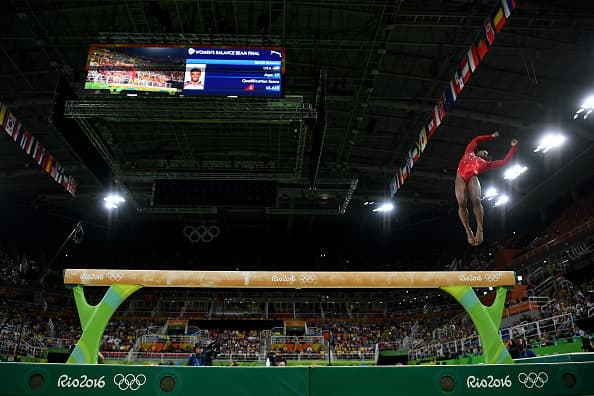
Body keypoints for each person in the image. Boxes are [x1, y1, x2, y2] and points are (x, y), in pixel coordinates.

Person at [455, 132, 518, 246]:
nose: (485, 153)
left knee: (477, 200)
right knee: (461, 202)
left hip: (472, 177)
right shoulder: (469, 152)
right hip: (460, 176)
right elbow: (476, 139)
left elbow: (504, 161)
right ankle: (468, 231)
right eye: (484, 151)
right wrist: (491, 137)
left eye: (487, 153)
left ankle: (480, 229)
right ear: (478, 151)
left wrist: (513, 147)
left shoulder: (486, 164)